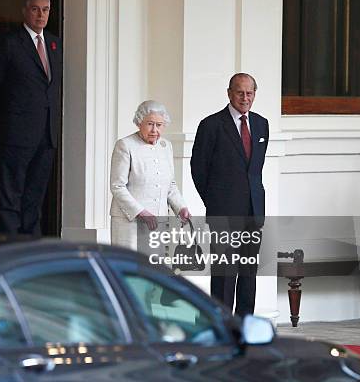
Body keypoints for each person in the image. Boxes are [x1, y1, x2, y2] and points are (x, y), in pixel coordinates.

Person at [190, 73, 269, 317]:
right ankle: (222, 327)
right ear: (229, 93)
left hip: (253, 212)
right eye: (240, 92)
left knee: (248, 272)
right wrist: (216, 202)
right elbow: (198, 169)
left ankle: (245, 325)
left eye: (250, 93)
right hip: (223, 213)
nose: (245, 98)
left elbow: (255, 170)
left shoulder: (261, 124)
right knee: (225, 274)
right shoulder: (211, 125)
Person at [0, 0, 62, 235]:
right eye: (35, 9)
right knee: (11, 193)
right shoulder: (9, 43)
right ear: (25, 11)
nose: (41, 15)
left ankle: (32, 242)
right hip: (16, 133)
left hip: (47, 134)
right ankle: (11, 243)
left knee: (35, 193)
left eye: (45, 10)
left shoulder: (54, 43)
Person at [110, 100, 190, 250]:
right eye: (149, 124)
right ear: (139, 122)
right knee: (130, 268)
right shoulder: (125, 145)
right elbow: (117, 186)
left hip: (157, 224)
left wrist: (181, 208)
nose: (154, 130)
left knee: (151, 268)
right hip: (129, 223)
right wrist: (141, 212)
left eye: (159, 125)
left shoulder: (166, 146)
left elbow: (170, 185)